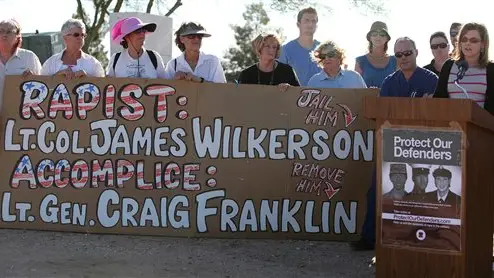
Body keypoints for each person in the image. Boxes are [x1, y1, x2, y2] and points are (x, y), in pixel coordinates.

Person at [352, 37, 438, 252]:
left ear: (416, 52)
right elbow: (383, 113)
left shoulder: (432, 80)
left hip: (423, 147)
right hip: (394, 144)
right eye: (399, 55)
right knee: (376, 186)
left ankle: (423, 238)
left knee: (422, 191)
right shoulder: (390, 81)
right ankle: (369, 236)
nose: (403, 58)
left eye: (407, 53)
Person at [433, 22, 494, 114]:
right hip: (451, 124)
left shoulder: (491, 69)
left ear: (483, 44)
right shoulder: (448, 66)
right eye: (464, 39)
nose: (467, 43)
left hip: (480, 126)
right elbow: (438, 100)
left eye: (473, 40)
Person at [0, 18, 41, 110]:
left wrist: (34, 78)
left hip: (20, 118)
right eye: (1, 31)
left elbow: (43, 86)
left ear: (18, 37)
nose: (4, 35)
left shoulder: (29, 57)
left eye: (9, 32)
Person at [278, 7, 320, 86]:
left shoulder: (324, 50)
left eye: (313, 21)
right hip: (294, 97)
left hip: (321, 97)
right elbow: (278, 78)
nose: (310, 24)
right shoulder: (286, 50)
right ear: (298, 24)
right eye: (306, 20)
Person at [355, 21, 397, 88]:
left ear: (387, 38)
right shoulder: (360, 61)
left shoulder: (395, 60)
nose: (378, 36)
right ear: (370, 38)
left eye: (382, 34)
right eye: (374, 34)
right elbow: (356, 88)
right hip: (367, 98)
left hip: (390, 98)